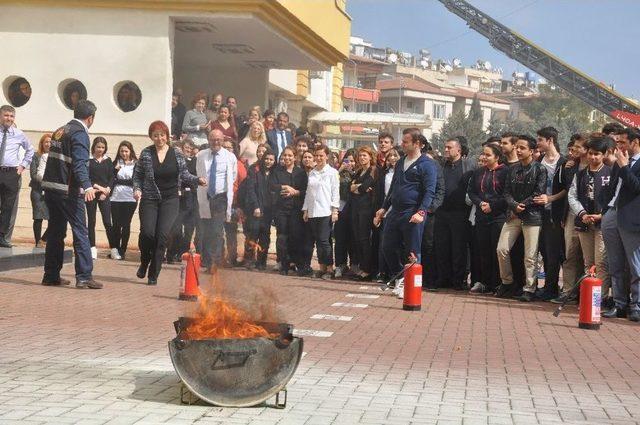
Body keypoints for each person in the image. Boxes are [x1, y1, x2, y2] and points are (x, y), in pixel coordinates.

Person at [133, 121, 205, 285]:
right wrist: (137, 189)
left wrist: (197, 180)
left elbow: (185, 175)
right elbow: (137, 176)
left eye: (162, 135)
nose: (159, 138)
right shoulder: (146, 153)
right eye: (156, 135)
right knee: (147, 233)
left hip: (170, 200)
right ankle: (144, 262)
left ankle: (154, 273)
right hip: (149, 199)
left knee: (162, 236)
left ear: (167, 136)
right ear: (151, 136)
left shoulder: (177, 154)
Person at [41, 100, 100, 288]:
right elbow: (79, 164)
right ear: (90, 118)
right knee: (80, 232)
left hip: (51, 189)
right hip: (68, 191)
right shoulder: (80, 134)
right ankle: (84, 277)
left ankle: (51, 275)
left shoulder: (61, 130)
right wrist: (88, 186)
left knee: (56, 232)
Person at [374, 128, 438, 299]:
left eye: (405, 142)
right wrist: (384, 207)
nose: (402, 144)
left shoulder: (427, 164)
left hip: (413, 213)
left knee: (412, 251)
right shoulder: (401, 161)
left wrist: (421, 212)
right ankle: (400, 277)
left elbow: (430, 191)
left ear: (417, 143)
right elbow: (394, 187)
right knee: (387, 246)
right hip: (395, 212)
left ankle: (410, 286)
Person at [495, 135, 547, 302]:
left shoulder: (540, 169)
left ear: (532, 151)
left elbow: (538, 193)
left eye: (522, 148)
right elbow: (506, 192)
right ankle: (507, 282)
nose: (518, 150)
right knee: (501, 249)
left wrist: (521, 206)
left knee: (530, 255)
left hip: (532, 216)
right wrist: (514, 206)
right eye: (517, 147)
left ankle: (529, 288)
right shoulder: (513, 169)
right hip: (513, 215)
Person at [565, 135, 612, 303]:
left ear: (604, 154)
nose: (593, 157)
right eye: (591, 153)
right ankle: (588, 299)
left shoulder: (611, 173)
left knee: (601, 264)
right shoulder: (581, 174)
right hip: (584, 223)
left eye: (597, 154)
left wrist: (602, 215)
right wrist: (583, 214)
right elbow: (572, 197)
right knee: (588, 263)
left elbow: (616, 198)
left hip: (603, 224)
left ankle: (601, 299)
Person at [601, 127, 640, 321]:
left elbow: (637, 188)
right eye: (617, 143)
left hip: (632, 218)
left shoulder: (626, 162)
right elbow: (612, 187)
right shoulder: (620, 161)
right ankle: (619, 303)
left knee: (634, 265)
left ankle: (636, 305)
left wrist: (624, 167)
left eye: (623, 142)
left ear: (635, 142)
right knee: (614, 263)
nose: (618, 147)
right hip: (612, 212)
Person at [434, 137, 476, 290]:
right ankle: (443, 278)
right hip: (441, 212)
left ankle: (458, 280)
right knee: (442, 247)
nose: (446, 150)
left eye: (449, 147)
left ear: (458, 150)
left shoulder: (468, 166)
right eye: (445, 147)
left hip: (460, 213)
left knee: (458, 248)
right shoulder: (441, 165)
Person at [467, 144, 509, 294]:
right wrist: (480, 203)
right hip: (481, 215)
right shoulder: (478, 172)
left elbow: (507, 194)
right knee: (483, 251)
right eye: (483, 154)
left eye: (488, 155)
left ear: (497, 157)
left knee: (496, 251)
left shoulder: (505, 172)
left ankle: (497, 283)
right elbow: (471, 192)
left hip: (498, 216)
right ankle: (485, 283)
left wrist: (493, 206)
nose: (484, 157)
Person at [533, 127, 568, 301]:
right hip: (538, 213)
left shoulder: (564, 162)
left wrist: (550, 198)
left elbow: (567, 189)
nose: (537, 143)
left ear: (550, 140)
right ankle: (547, 286)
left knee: (553, 252)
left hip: (554, 214)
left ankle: (551, 287)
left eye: (540, 139)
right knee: (542, 251)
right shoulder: (539, 160)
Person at [553, 134, 588, 304]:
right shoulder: (569, 167)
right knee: (570, 254)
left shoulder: (598, 166)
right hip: (571, 216)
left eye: (578, 147)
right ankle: (568, 291)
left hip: (590, 216)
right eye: (573, 146)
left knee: (588, 258)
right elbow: (567, 192)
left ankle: (586, 292)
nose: (574, 149)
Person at [196, 129, 237, 271]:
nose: (216, 142)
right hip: (205, 196)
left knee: (217, 230)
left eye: (218, 139)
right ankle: (207, 261)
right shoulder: (201, 155)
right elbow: (197, 173)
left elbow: (233, 175)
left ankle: (215, 262)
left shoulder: (230, 157)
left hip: (220, 197)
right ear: (208, 140)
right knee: (205, 230)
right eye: (213, 139)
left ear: (222, 139)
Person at [302, 145, 340, 280]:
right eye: (316, 155)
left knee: (325, 241)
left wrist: (335, 210)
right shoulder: (312, 172)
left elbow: (335, 192)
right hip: (313, 211)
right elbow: (308, 192)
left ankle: (330, 268)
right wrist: (305, 209)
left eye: (321, 155)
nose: (318, 158)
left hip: (325, 211)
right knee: (318, 241)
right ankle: (322, 267)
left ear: (327, 156)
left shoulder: (332, 172)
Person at [0, 105, 34, 247]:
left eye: (11, 116)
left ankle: (2, 237)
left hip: (11, 174)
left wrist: (22, 167)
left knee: (8, 207)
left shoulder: (18, 134)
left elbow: (30, 150)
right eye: (6, 115)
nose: (9, 118)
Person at [270, 146, 307, 276]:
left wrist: (294, 192)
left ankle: (295, 262)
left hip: (296, 210)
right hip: (281, 209)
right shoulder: (277, 171)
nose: (287, 158)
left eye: (290, 155)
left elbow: (305, 191)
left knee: (295, 237)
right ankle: (283, 263)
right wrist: (284, 187)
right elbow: (272, 185)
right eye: (285, 155)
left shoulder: (300, 173)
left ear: (295, 157)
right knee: (282, 237)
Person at [86, 137, 117, 260]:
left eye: (103, 147)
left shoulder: (108, 160)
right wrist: (100, 188)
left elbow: (111, 177)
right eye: (98, 147)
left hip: (105, 195)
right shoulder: (88, 161)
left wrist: (107, 190)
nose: (100, 149)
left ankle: (114, 249)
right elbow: (88, 178)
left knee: (107, 222)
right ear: (94, 147)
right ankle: (92, 248)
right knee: (91, 221)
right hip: (92, 193)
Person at [167, 139, 198, 263]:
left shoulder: (194, 162)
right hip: (177, 200)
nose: (188, 150)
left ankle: (183, 253)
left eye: (190, 148)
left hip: (190, 200)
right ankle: (171, 253)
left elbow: (194, 179)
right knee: (176, 230)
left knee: (189, 230)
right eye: (186, 147)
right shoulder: (173, 163)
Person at [245, 148, 276, 270]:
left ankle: (261, 261)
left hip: (269, 211)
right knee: (253, 234)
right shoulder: (255, 171)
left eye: (271, 159)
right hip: (256, 209)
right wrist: (256, 206)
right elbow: (251, 190)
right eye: (267, 159)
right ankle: (250, 260)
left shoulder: (275, 173)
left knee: (265, 236)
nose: (268, 161)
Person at [350, 146, 377, 281]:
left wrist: (358, 187)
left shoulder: (373, 170)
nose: (362, 158)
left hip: (366, 209)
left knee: (365, 239)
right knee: (357, 239)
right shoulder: (359, 171)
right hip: (356, 208)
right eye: (360, 155)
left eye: (365, 155)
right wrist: (357, 187)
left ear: (370, 157)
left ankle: (367, 270)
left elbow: (365, 187)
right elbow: (351, 187)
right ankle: (361, 267)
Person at [374, 148, 400, 283]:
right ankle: (383, 272)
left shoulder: (403, 173)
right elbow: (381, 194)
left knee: (396, 244)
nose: (393, 158)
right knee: (384, 243)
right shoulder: (385, 174)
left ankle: (395, 274)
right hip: (385, 211)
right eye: (390, 156)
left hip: (398, 211)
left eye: (395, 155)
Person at [110, 140, 138, 260]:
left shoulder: (136, 164)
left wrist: (119, 180)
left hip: (130, 198)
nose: (124, 153)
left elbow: (135, 180)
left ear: (130, 151)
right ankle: (115, 249)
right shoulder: (115, 163)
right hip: (116, 197)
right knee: (115, 224)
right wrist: (115, 171)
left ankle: (123, 249)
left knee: (126, 224)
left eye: (126, 151)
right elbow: (110, 178)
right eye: (121, 151)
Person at [222, 139, 246, 267]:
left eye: (229, 147)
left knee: (231, 232)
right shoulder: (217, 161)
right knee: (217, 231)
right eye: (224, 147)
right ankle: (219, 258)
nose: (226, 149)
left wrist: (239, 205)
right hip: (218, 202)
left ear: (234, 149)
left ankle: (232, 257)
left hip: (233, 203)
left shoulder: (238, 165)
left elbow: (244, 185)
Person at [334, 149, 357, 279]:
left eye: (353, 161)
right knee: (340, 238)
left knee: (353, 239)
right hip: (341, 208)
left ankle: (354, 264)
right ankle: (340, 264)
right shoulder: (338, 173)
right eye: (347, 160)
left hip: (355, 209)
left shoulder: (359, 173)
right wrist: (340, 169)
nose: (350, 163)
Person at [30, 133, 51, 247]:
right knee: (38, 217)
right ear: (42, 143)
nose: (48, 144)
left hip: (51, 192)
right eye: (46, 142)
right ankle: (38, 242)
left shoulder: (54, 157)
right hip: (37, 191)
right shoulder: (36, 156)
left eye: (50, 142)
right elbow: (33, 175)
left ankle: (44, 239)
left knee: (52, 219)